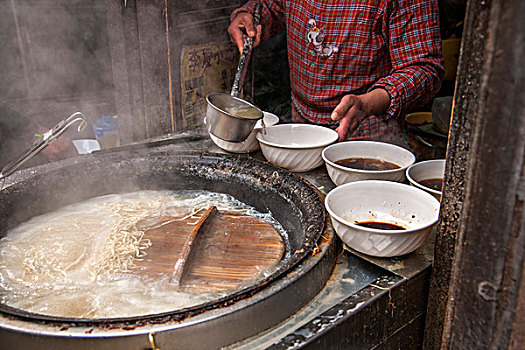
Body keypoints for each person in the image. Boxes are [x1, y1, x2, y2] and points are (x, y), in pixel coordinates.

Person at [228, 0, 444, 146]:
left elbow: (425, 69)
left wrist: (367, 103)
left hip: (367, 132)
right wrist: (249, 16)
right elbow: (270, 6)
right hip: (299, 126)